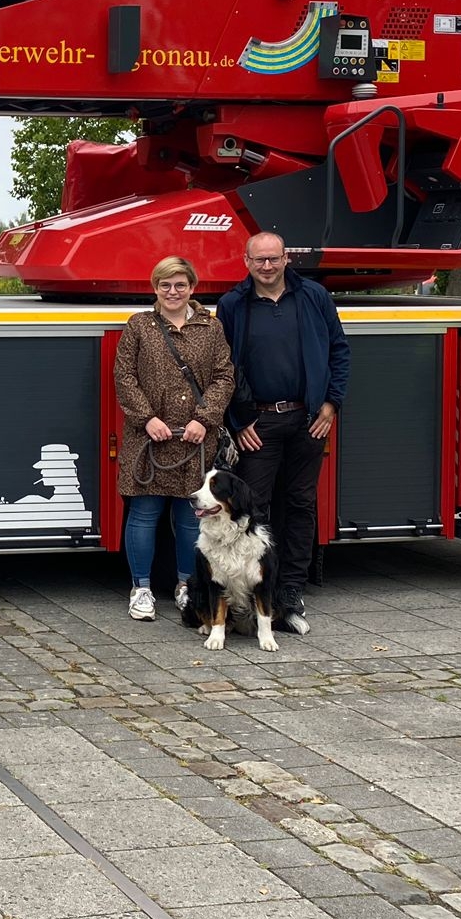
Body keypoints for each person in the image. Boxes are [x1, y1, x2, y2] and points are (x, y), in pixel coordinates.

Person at [216, 231, 350, 634]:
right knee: (255, 509)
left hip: (309, 418)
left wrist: (330, 404)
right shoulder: (232, 305)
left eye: (274, 258)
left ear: (287, 258)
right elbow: (222, 368)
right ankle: (258, 589)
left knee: (300, 504)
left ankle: (291, 590)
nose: (268, 266)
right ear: (247, 261)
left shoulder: (314, 297)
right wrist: (238, 423)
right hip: (258, 424)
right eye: (260, 260)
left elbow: (339, 351)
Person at [114, 257, 234, 622]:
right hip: (148, 439)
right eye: (165, 285)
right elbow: (124, 377)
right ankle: (142, 589)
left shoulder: (211, 329)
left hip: (195, 441)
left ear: (192, 288)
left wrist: (204, 419)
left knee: (189, 517)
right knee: (144, 514)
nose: (172, 291)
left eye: (180, 284)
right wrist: (147, 418)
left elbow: (224, 376)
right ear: (155, 288)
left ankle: (187, 586)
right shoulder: (138, 326)